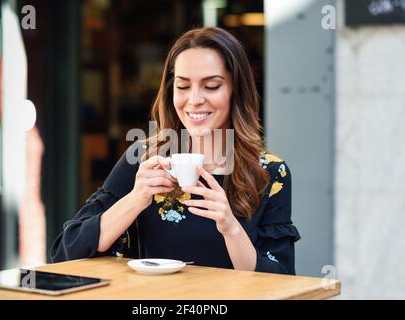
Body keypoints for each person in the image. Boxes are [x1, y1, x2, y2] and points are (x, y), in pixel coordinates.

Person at [51, 27, 300, 275]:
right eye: (182, 86)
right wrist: (136, 199)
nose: (194, 99)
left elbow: (281, 280)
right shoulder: (146, 159)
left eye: (211, 86)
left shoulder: (269, 172)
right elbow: (66, 252)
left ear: (236, 90)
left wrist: (231, 228)